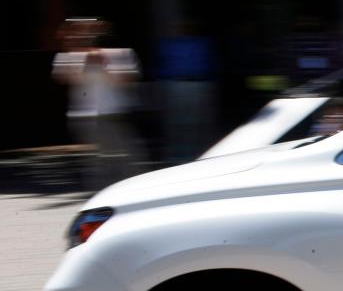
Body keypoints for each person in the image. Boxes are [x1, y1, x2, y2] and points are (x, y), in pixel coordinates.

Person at [52, 19, 145, 192]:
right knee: (97, 161)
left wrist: (104, 67)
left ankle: (129, 192)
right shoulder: (68, 57)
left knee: (126, 158)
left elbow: (127, 82)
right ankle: (101, 194)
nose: (84, 36)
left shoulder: (122, 54)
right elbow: (64, 77)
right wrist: (86, 64)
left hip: (114, 113)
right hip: (86, 116)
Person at [156, 18, 219, 162]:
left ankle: (200, 154)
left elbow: (211, 63)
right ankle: (180, 155)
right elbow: (161, 65)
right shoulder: (169, 44)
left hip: (197, 84)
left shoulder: (201, 44)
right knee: (179, 122)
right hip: (178, 85)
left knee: (198, 121)